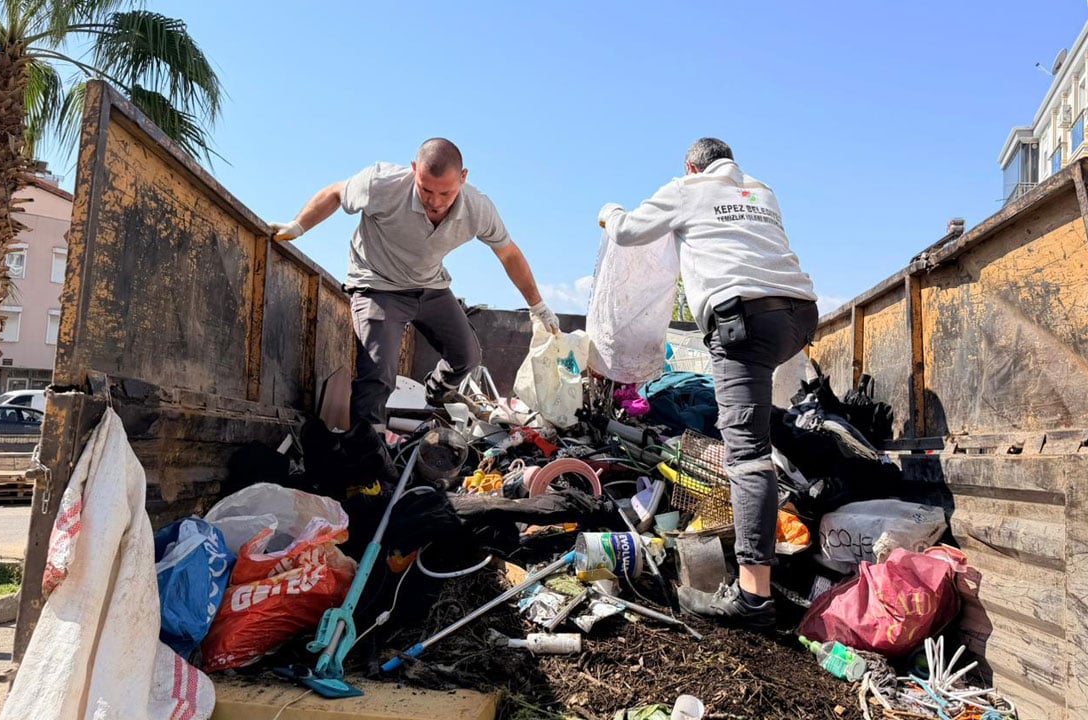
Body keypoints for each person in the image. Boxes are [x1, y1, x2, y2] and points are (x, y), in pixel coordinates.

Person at [599, 138, 818, 629]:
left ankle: (754, 597)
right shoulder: (762, 191)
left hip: (745, 322)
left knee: (746, 456)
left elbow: (628, 232)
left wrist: (609, 212)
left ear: (691, 166)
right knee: (756, 425)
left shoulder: (688, 188)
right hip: (799, 317)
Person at [270, 138, 559, 429]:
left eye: (445, 193)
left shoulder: (478, 208)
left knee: (467, 356)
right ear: (413, 170)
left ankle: (437, 393)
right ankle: (367, 448)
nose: (435, 201)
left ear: (463, 178)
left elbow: (508, 254)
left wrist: (538, 306)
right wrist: (299, 225)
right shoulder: (382, 183)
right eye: (425, 189)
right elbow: (335, 192)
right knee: (378, 374)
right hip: (378, 285)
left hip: (430, 286)